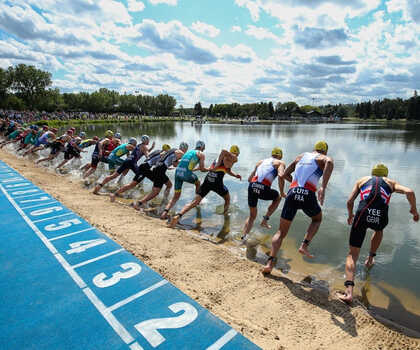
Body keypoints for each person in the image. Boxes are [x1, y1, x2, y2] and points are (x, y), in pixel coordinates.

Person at [337, 164, 419, 304]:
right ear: (385, 175)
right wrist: (414, 210)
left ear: (372, 173)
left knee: (352, 254)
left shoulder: (362, 180)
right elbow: (410, 191)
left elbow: (350, 201)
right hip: (380, 216)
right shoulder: (390, 183)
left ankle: (349, 292)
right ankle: (370, 258)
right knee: (378, 230)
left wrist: (350, 215)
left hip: (362, 214)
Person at [262, 141, 334, 275]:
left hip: (292, 193)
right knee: (317, 219)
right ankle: (304, 245)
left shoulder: (300, 157)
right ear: (324, 151)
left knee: (280, 233)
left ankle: (269, 263)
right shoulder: (321, 158)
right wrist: (323, 187)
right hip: (308, 194)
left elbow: (283, 175)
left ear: (314, 149)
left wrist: (295, 184)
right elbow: (329, 162)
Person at [169, 145, 242, 228]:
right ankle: (225, 219)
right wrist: (218, 164)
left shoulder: (222, 158)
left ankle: (178, 216)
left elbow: (227, 170)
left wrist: (235, 175)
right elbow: (223, 150)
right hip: (217, 182)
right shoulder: (233, 157)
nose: (237, 157)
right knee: (227, 199)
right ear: (236, 153)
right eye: (237, 154)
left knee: (194, 202)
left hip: (208, 180)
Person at [241, 147, 287, 240]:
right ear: (281, 156)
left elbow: (249, 179)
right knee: (278, 197)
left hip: (252, 187)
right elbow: (281, 176)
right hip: (263, 189)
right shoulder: (280, 163)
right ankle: (265, 220)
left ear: (272, 154)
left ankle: (243, 236)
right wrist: (282, 192)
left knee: (252, 216)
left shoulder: (260, 162)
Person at [161, 140, 209, 220]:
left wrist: (193, 170)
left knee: (175, 197)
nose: (204, 149)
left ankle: (164, 213)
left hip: (178, 173)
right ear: (202, 147)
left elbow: (181, 163)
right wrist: (209, 169)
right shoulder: (201, 154)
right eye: (204, 147)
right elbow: (202, 169)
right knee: (198, 182)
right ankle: (197, 201)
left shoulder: (188, 152)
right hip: (186, 174)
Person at [132, 143, 188, 210]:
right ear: (185, 149)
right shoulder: (180, 152)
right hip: (160, 170)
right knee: (155, 192)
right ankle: (139, 203)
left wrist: (177, 163)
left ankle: (164, 201)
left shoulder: (173, 151)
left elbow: (174, 164)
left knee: (169, 185)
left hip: (158, 168)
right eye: (186, 150)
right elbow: (185, 159)